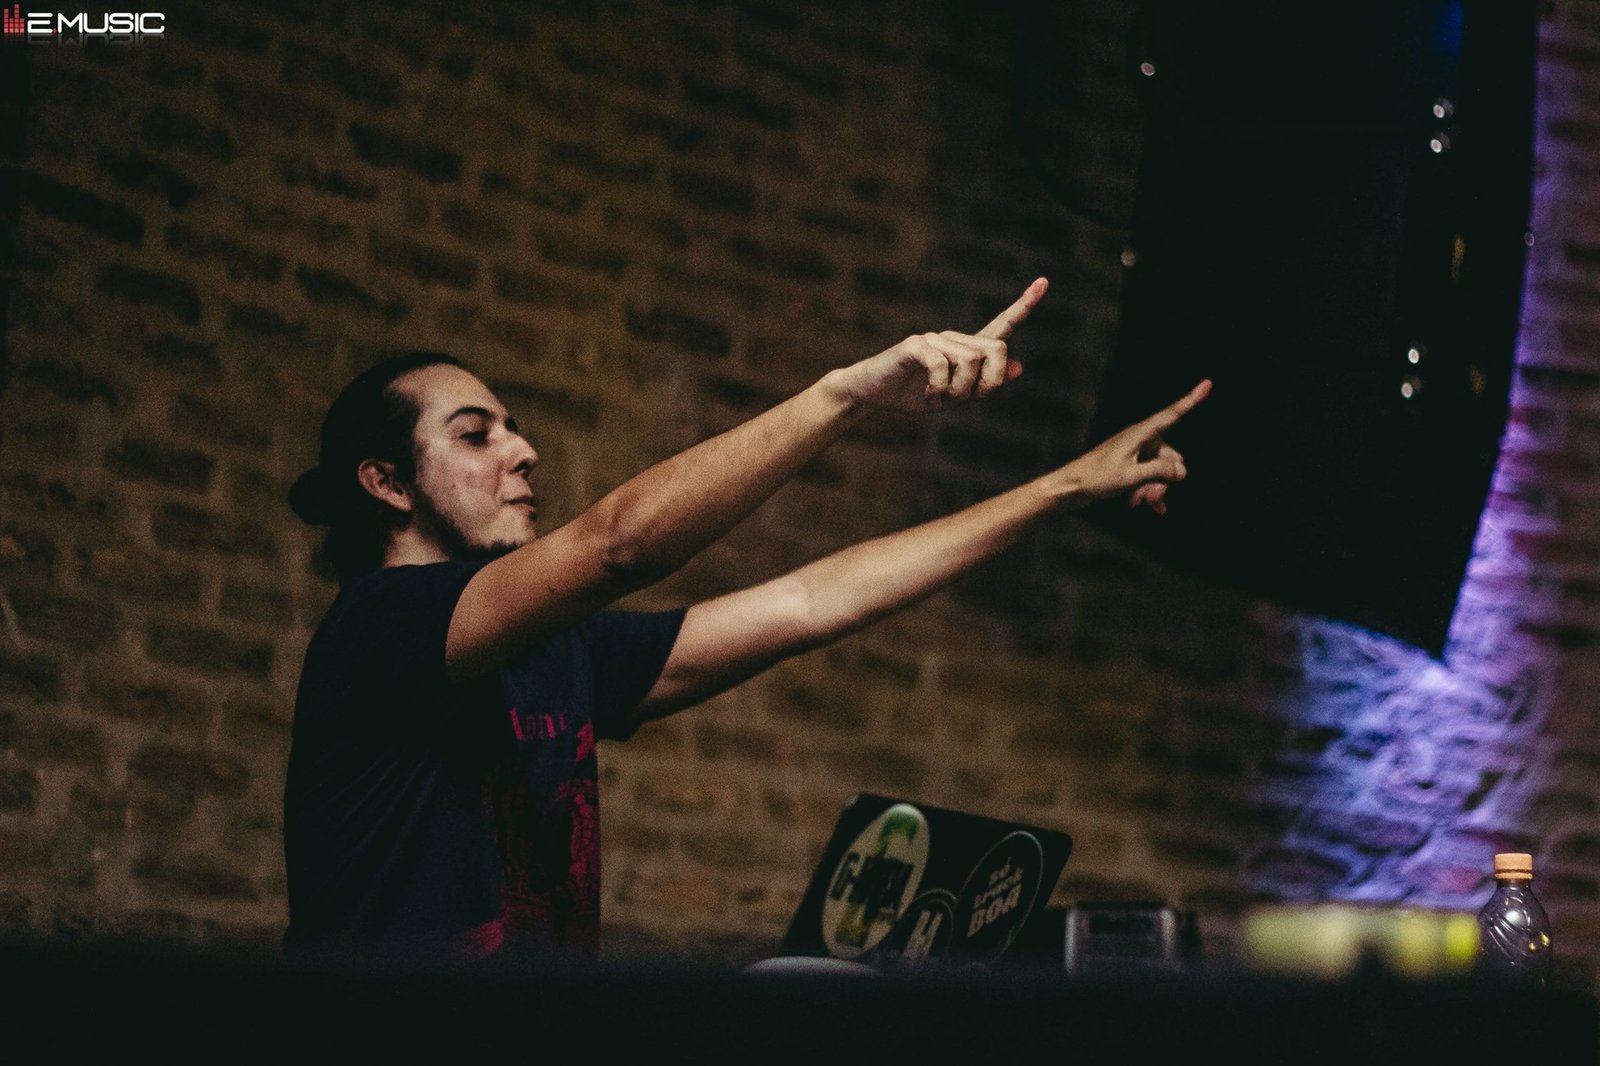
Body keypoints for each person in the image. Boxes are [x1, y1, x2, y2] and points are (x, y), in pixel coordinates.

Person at [282, 277, 1210, 964]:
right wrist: (843, 394)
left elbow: (815, 600)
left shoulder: (560, 654)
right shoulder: (376, 629)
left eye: (513, 427)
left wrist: (1063, 489)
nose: (522, 451)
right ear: (388, 483)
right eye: (475, 434)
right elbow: (619, 544)